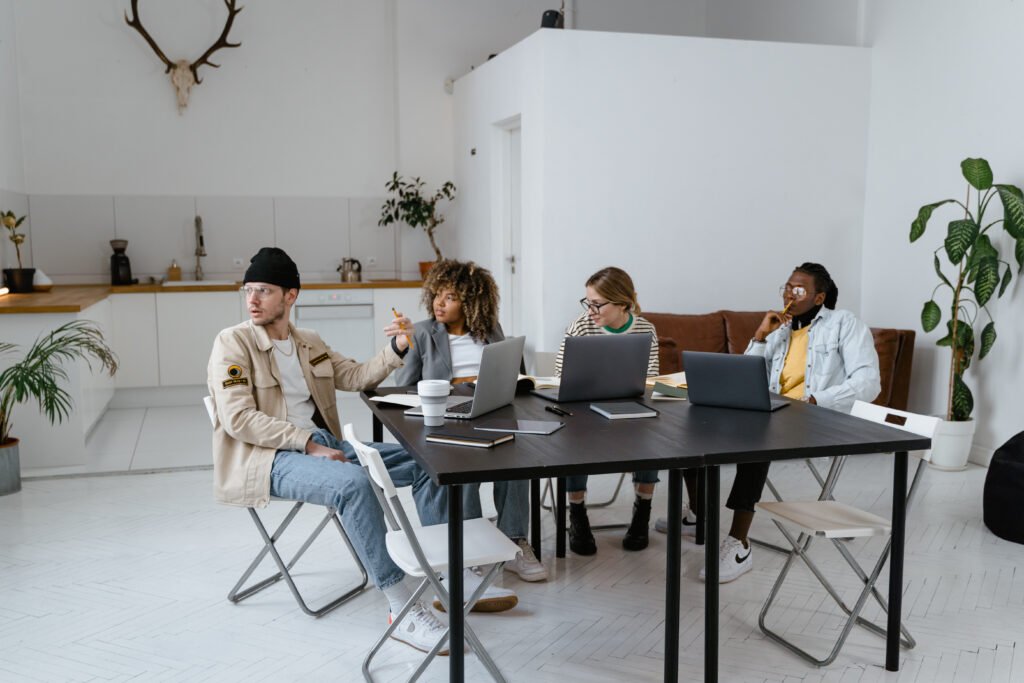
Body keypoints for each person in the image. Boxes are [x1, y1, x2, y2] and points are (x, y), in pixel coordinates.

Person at [208, 247, 450, 654]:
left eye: (263, 291)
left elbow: (355, 376)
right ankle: (401, 606)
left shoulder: (308, 342)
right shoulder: (232, 343)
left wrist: (400, 349)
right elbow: (239, 419)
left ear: (290, 296)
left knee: (429, 460)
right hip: (269, 458)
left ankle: (440, 573)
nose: (251, 300)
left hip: (325, 446)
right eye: (248, 290)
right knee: (353, 484)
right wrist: (307, 443)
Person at [655, 262, 881, 583]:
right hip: (774, 411)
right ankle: (695, 515)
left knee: (756, 442)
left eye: (799, 289)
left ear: (819, 298)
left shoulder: (845, 324)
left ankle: (739, 543)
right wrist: (761, 335)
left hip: (818, 418)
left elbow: (868, 382)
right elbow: (745, 376)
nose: (790, 294)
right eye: (787, 287)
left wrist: (816, 400)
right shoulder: (782, 329)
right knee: (693, 423)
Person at [393, 260, 547, 607]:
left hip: (491, 410)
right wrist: (406, 348)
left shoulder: (490, 330)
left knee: (516, 462)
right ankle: (473, 553)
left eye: (450, 297)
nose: (439, 303)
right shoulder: (421, 333)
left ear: (471, 300)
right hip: (448, 418)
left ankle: (515, 539)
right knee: (464, 472)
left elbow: (512, 374)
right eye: (436, 296)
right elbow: (403, 388)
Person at [554, 266, 661, 555]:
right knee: (572, 438)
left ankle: (642, 514)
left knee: (649, 437)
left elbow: (649, 380)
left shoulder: (645, 329)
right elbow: (560, 377)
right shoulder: (581, 327)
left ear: (623, 302)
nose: (590, 309)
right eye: (587, 302)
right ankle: (577, 515)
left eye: (597, 303)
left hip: (630, 408)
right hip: (584, 410)